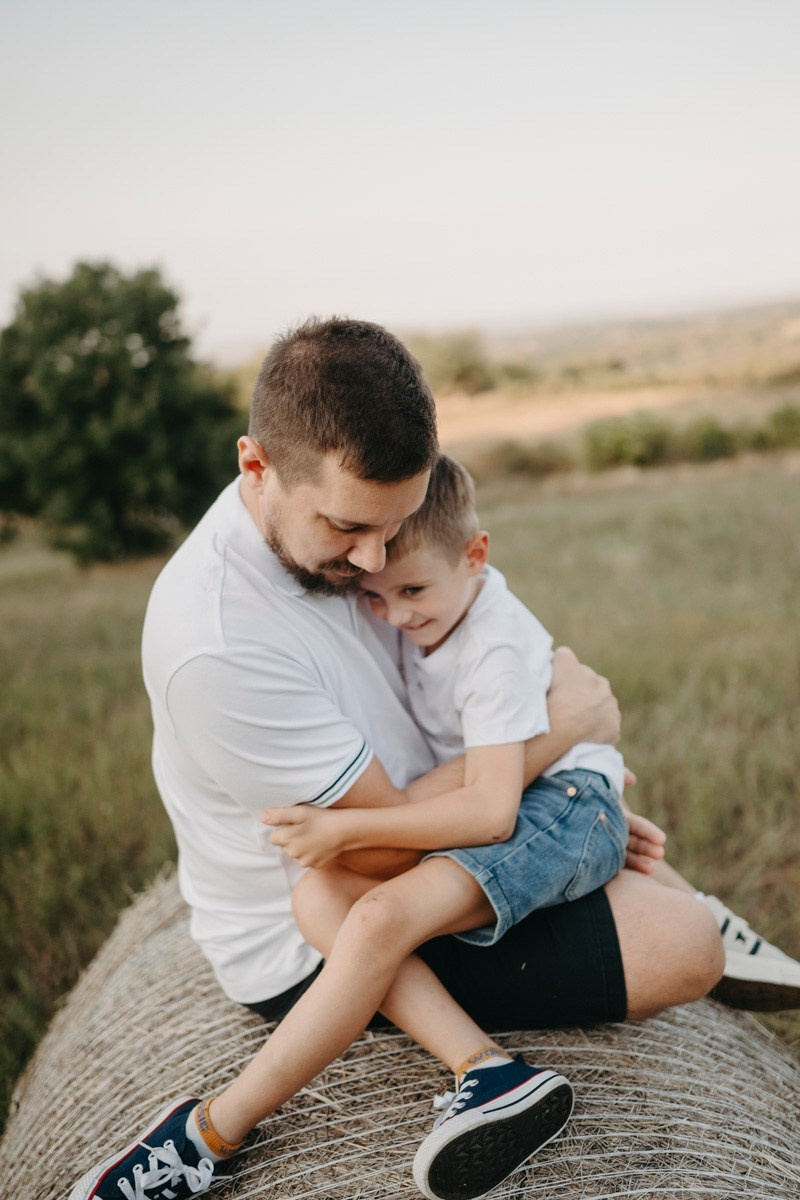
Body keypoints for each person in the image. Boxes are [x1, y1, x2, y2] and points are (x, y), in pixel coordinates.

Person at [69, 317, 800, 1200]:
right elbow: (373, 854)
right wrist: (554, 743)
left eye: (395, 526)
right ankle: (225, 1131)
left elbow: (458, 702)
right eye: (348, 529)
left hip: (436, 834)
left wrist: (550, 796)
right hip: (315, 922)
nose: (374, 561)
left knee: (648, 898)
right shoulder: (219, 644)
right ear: (256, 465)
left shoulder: (352, 556)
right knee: (682, 944)